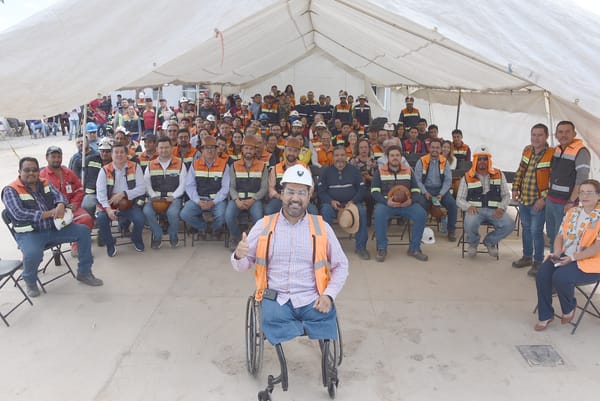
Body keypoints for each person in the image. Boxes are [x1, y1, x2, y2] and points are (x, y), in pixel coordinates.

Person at [231, 164, 349, 349]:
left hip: (312, 298)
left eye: (302, 193)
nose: (295, 198)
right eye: (290, 192)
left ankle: (305, 324)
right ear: (282, 193)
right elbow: (242, 266)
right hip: (275, 298)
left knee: (326, 319)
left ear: (309, 196)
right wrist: (239, 256)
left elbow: (341, 265)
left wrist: (329, 295)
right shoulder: (264, 226)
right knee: (271, 321)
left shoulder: (322, 228)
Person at [2, 157, 103, 297]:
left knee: (84, 232)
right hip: (31, 233)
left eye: (34, 170)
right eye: (27, 170)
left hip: (54, 228)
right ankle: (30, 281)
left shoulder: (44, 182)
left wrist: (61, 205)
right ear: (19, 171)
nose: (31, 173)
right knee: (32, 254)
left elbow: (60, 196)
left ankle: (84, 272)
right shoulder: (11, 189)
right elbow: (19, 214)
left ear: (39, 171)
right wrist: (49, 213)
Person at [534, 179, 600, 331]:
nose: (584, 195)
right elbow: (560, 236)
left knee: (561, 277)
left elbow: (597, 247)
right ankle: (545, 315)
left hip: (591, 261)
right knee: (542, 274)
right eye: (582, 192)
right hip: (566, 254)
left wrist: (573, 258)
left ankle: (569, 307)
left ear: (598, 196)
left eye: (589, 192)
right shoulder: (573, 211)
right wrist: (557, 252)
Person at [371, 145, 428, 262]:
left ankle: (414, 248)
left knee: (421, 214)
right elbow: (374, 191)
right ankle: (382, 248)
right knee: (379, 214)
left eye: (397, 155)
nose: (395, 158)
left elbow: (416, 190)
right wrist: (386, 201)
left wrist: (411, 201)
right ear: (387, 157)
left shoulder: (408, 170)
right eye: (392, 155)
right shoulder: (380, 171)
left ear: (401, 157)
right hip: (387, 204)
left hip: (407, 204)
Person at [511, 124, 555, 276]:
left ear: (546, 136)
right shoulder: (527, 150)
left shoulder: (552, 154)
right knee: (527, 230)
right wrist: (515, 188)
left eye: (539, 135)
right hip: (524, 199)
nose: (536, 138)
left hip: (538, 202)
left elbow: (554, 180)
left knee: (536, 232)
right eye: (533, 135)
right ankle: (527, 257)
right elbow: (520, 171)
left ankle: (538, 262)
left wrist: (544, 199)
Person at [456, 149, 513, 257]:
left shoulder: (499, 174)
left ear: (489, 161)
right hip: (476, 210)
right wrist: (468, 206)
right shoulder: (467, 176)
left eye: (485, 159)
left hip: (495, 210)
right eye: (480, 159)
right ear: (475, 160)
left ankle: (490, 242)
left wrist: (501, 208)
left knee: (509, 225)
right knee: (470, 223)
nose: (482, 162)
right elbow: (459, 199)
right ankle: (473, 244)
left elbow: (506, 195)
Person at [39, 146, 94, 257]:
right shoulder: (42, 176)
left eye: (59, 156)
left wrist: (74, 203)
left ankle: (76, 246)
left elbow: (79, 190)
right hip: (53, 212)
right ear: (47, 158)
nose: (56, 159)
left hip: (71, 208)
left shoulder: (68, 172)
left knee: (87, 219)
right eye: (53, 157)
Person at [545, 121, 590, 254]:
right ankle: (553, 261)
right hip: (551, 200)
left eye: (567, 132)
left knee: (563, 237)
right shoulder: (557, 150)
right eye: (560, 132)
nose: (563, 135)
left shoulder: (581, 151)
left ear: (574, 134)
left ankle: (559, 266)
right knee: (552, 234)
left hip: (566, 203)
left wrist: (571, 201)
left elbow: (582, 179)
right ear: (556, 135)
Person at [318, 146, 370, 259]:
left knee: (361, 211)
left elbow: (362, 189)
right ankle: (327, 248)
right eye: (337, 155)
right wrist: (330, 201)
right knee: (325, 211)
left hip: (351, 203)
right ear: (332, 157)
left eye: (342, 155)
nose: (339, 158)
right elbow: (321, 191)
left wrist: (353, 201)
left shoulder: (354, 170)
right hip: (332, 204)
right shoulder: (326, 171)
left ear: (346, 157)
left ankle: (361, 247)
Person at [96, 144, 147, 256]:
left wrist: (124, 194)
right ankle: (110, 243)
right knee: (101, 219)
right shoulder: (104, 170)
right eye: (116, 152)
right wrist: (108, 210)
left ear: (126, 154)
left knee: (140, 219)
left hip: (129, 203)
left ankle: (136, 238)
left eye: (121, 152)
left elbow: (142, 188)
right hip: (110, 204)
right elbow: (101, 193)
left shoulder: (135, 166)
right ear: (112, 155)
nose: (119, 155)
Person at [181, 136, 230, 240]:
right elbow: (189, 185)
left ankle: (215, 228)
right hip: (199, 199)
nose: (209, 150)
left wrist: (214, 202)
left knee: (223, 214)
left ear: (217, 149)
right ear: (201, 150)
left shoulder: (224, 165)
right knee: (185, 214)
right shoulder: (195, 164)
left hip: (217, 200)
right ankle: (204, 227)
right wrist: (198, 201)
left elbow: (225, 188)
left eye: (212, 147)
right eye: (206, 148)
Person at [143, 136, 187, 249]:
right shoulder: (150, 165)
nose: (164, 150)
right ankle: (158, 235)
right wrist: (153, 196)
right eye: (161, 148)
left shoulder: (180, 163)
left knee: (172, 214)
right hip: (155, 197)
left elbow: (183, 184)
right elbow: (146, 183)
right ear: (157, 149)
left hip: (173, 198)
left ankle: (173, 236)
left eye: (166, 147)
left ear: (172, 148)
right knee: (147, 212)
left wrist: (174, 196)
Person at [225, 135, 268, 249]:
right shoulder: (234, 165)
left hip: (255, 200)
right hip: (238, 199)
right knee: (228, 215)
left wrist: (253, 200)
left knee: (259, 217)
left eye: (251, 148)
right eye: (246, 148)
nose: (249, 151)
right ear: (242, 150)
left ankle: (251, 239)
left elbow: (264, 188)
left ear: (255, 151)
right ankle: (236, 238)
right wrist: (236, 200)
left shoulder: (262, 166)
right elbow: (231, 187)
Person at [414, 139, 458, 242]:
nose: (435, 150)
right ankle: (420, 231)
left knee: (452, 205)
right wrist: (425, 192)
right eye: (432, 147)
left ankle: (451, 230)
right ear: (429, 148)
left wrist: (441, 194)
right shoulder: (421, 161)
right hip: (425, 189)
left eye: (437, 148)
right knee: (421, 205)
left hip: (440, 190)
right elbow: (417, 180)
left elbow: (448, 180)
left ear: (440, 149)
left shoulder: (444, 161)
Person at [81, 138, 112, 216]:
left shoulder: (116, 162)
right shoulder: (90, 160)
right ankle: (91, 220)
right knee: (87, 204)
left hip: (111, 194)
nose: (104, 153)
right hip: (93, 193)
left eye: (107, 151)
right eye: (102, 151)